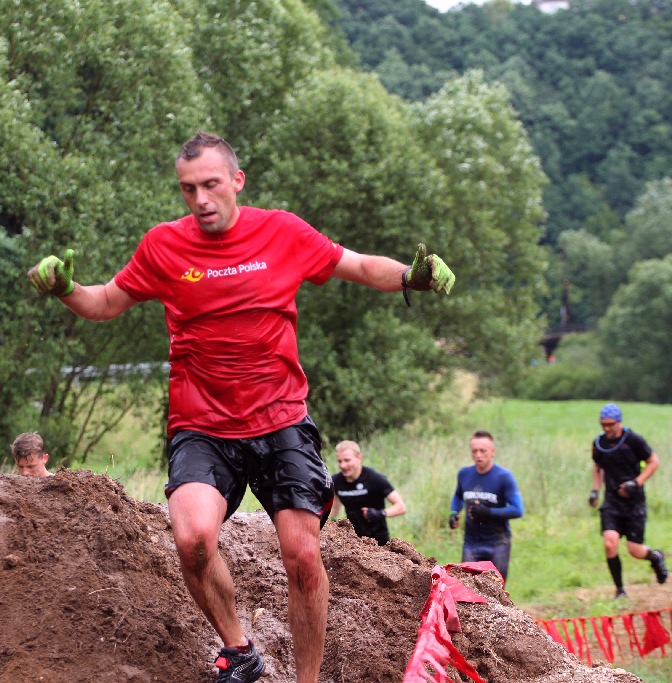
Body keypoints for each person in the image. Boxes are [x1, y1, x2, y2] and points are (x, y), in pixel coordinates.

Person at [27, 131, 454, 683]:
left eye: (210, 185)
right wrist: (66, 288)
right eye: (188, 189)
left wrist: (409, 277)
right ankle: (239, 649)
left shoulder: (281, 231)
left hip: (281, 420)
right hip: (201, 425)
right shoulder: (162, 245)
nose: (200, 199)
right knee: (192, 539)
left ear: (236, 181)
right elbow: (105, 301)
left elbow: (357, 265)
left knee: (302, 556)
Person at [589, 403, 667, 598]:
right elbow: (598, 467)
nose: (607, 428)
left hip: (634, 503)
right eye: (603, 424)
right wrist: (595, 491)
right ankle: (620, 590)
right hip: (611, 501)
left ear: (619, 422)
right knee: (610, 543)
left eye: (610, 424)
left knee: (635, 550)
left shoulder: (633, 440)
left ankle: (656, 557)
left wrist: (636, 482)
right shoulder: (599, 444)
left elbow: (653, 462)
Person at [448, 430, 523, 582]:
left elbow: (517, 510)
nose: (478, 455)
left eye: (483, 451)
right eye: (474, 451)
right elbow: (458, 496)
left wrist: (488, 512)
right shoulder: (464, 474)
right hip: (471, 541)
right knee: (466, 586)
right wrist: (454, 513)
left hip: (498, 541)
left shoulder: (504, 477)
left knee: (496, 590)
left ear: (492, 451)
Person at [329, 440, 406, 545]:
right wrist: (331, 524)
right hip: (354, 541)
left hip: (379, 541)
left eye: (347, 460)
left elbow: (401, 507)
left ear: (359, 458)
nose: (343, 465)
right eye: (339, 461)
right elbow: (335, 505)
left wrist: (380, 513)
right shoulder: (336, 481)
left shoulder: (375, 479)